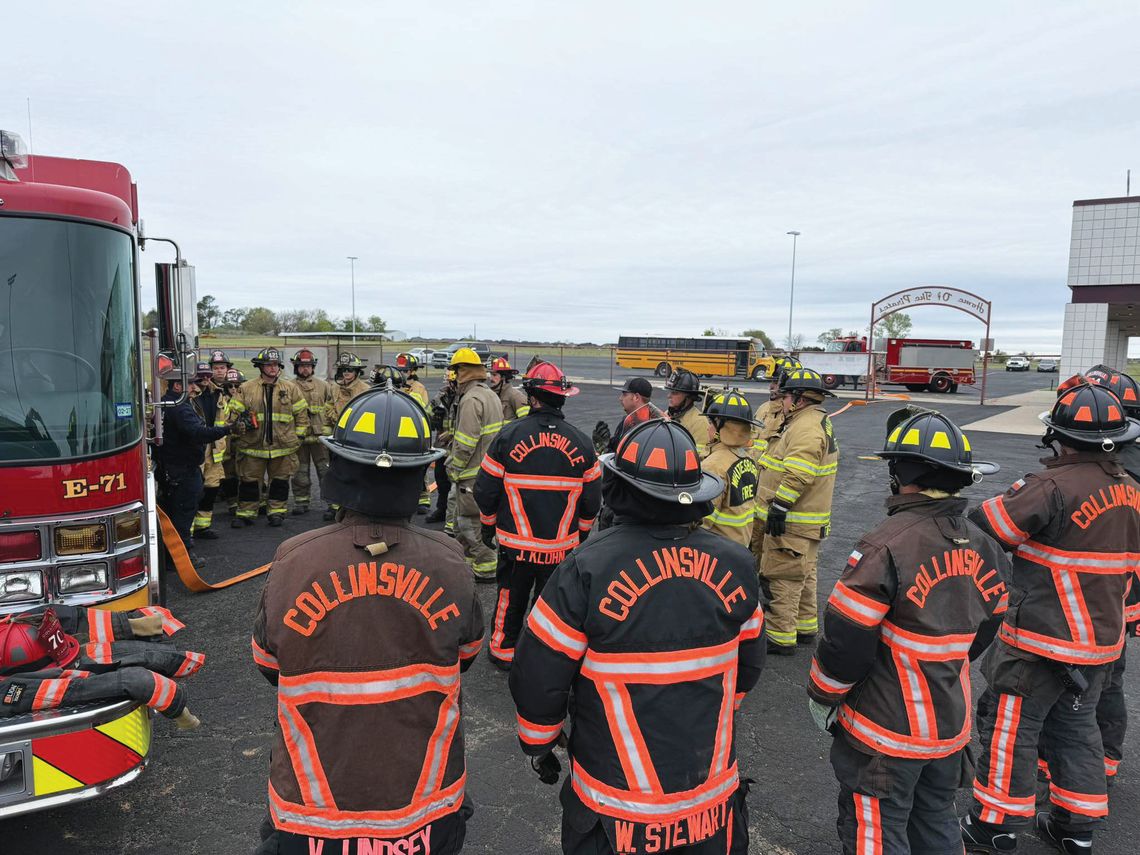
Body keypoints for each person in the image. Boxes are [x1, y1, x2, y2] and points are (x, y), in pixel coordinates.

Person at [509, 419, 763, 855]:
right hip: (709, 809)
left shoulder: (586, 568)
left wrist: (538, 742)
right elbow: (749, 665)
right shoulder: (737, 564)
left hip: (614, 813)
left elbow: (539, 672)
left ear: (620, 488)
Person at [252, 383, 485, 855]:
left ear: (338, 468)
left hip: (312, 814)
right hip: (426, 811)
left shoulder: (294, 560)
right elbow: (466, 655)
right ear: (420, 475)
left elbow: (269, 664)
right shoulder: (450, 561)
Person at [807, 409, 1009, 854]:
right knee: (936, 821)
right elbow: (986, 626)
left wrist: (823, 694)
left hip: (885, 732)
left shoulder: (885, 545)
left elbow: (846, 640)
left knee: (878, 830)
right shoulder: (985, 546)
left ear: (900, 473)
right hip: (947, 727)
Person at [960, 381, 1140, 854]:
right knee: (1077, 728)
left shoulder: (1050, 487)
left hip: (1040, 642)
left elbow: (986, 527)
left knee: (1011, 729)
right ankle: (1075, 830)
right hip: (1100, 645)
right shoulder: (1131, 492)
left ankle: (994, 827)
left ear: (1057, 437)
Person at [474, 362, 601, 670]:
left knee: (510, 595)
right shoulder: (583, 444)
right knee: (549, 602)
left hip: (515, 545)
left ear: (532, 397)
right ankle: (540, 654)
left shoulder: (508, 437)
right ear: (563, 397)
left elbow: (485, 490)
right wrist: (581, 535)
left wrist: (488, 525)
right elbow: (592, 501)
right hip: (560, 547)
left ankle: (503, 651)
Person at [754, 367, 839, 655]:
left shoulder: (805, 427)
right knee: (803, 575)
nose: (782, 401)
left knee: (783, 577)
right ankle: (804, 627)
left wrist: (779, 506)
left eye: (787, 396)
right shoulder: (811, 420)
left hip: (792, 521)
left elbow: (799, 473)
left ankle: (779, 637)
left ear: (800, 399)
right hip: (805, 521)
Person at [1084, 366, 1140, 788]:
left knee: (1089, 682)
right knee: (1109, 679)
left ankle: (1081, 765)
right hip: (1125, 594)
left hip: (1100, 594)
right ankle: (1103, 760)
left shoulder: (1117, 469)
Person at [153, 363, 230, 563]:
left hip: (170, 469)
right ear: (178, 386)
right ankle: (182, 558)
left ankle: (169, 558)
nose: (194, 388)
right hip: (183, 471)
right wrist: (227, 429)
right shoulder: (180, 408)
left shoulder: (164, 404)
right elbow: (198, 433)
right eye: (190, 384)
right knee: (183, 515)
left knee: (172, 514)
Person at [227, 348, 309, 528]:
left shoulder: (290, 388)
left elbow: (301, 414)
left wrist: (299, 437)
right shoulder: (246, 388)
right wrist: (237, 427)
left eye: (276, 365)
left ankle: (276, 513)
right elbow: (233, 413)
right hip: (252, 445)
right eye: (269, 365)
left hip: (283, 446)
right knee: (249, 481)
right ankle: (246, 514)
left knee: (280, 481)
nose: (273, 368)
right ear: (260, 367)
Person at [446, 347, 503, 581]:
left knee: (470, 523)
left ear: (463, 371)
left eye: (455, 371)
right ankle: (468, 563)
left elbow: (466, 441)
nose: (453, 376)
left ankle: (486, 567)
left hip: (471, 475)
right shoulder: (490, 395)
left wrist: (454, 468)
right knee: (469, 522)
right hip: (488, 471)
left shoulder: (471, 399)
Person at [701, 390, 761, 546]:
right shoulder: (747, 458)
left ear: (723, 427)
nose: (708, 428)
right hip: (740, 547)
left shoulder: (713, 465)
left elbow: (702, 519)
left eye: (711, 423)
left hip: (717, 550)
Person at [288, 349, 334, 516]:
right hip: (299, 437)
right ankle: (301, 502)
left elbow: (331, 410)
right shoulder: (289, 386)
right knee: (299, 471)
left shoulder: (324, 386)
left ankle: (332, 503)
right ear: (296, 367)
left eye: (308, 366)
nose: (305, 369)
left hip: (320, 437)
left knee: (326, 471)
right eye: (301, 366)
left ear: (313, 367)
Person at [328, 352, 372, 520]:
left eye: (350, 370)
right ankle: (336, 506)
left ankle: (358, 506)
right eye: (343, 369)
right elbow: (328, 407)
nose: (346, 373)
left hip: (357, 439)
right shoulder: (334, 388)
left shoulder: (365, 390)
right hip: (338, 437)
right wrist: (336, 419)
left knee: (358, 473)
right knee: (337, 472)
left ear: (357, 372)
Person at [191, 362, 230, 540]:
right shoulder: (188, 395)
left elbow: (224, 418)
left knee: (211, 488)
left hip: (214, 450)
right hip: (196, 449)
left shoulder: (218, 394)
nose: (206, 378)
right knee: (194, 490)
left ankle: (203, 526)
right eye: (201, 376)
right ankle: (188, 530)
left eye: (208, 375)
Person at [395, 353, 433, 513]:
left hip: (414, 434)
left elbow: (416, 407)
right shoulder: (396, 386)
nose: (401, 373)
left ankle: (423, 499)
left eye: (404, 371)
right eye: (399, 370)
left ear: (412, 371)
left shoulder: (418, 388)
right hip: (397, 433)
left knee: (419, 467)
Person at [426, 368, 459, 526]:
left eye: (450, 381)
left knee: (455, 484)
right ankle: (442, 509)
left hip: (456, 447)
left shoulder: (465, 397)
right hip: (441, 447)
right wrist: (432, 418)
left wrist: (451, 433)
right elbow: (427, 413)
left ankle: (455, 514)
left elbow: (469, 423)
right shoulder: (441, 396)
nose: (448, 384)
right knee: (441, 479)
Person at [753, 357, 799, 457]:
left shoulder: (795, 414)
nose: (771, 386)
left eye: (775, 382)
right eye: (771, 381)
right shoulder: (763, 408)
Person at [608, 377, 663, 452]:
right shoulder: (657, 424)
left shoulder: (651, 428)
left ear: (636, 397)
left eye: (624, 394)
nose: (620, 398)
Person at [664, 369, 711, 457]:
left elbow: (700, 457)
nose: (669, 396)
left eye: (675, 393)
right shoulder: (667, 414)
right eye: (670, 392)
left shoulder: (700, 422)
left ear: (689, 397)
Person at [489, 357, 530, 422]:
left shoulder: (516, 396)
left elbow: (526, 422)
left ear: (503, 377)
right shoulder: (491, 396)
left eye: (494, 375)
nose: (491, 378)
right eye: (490, 374)